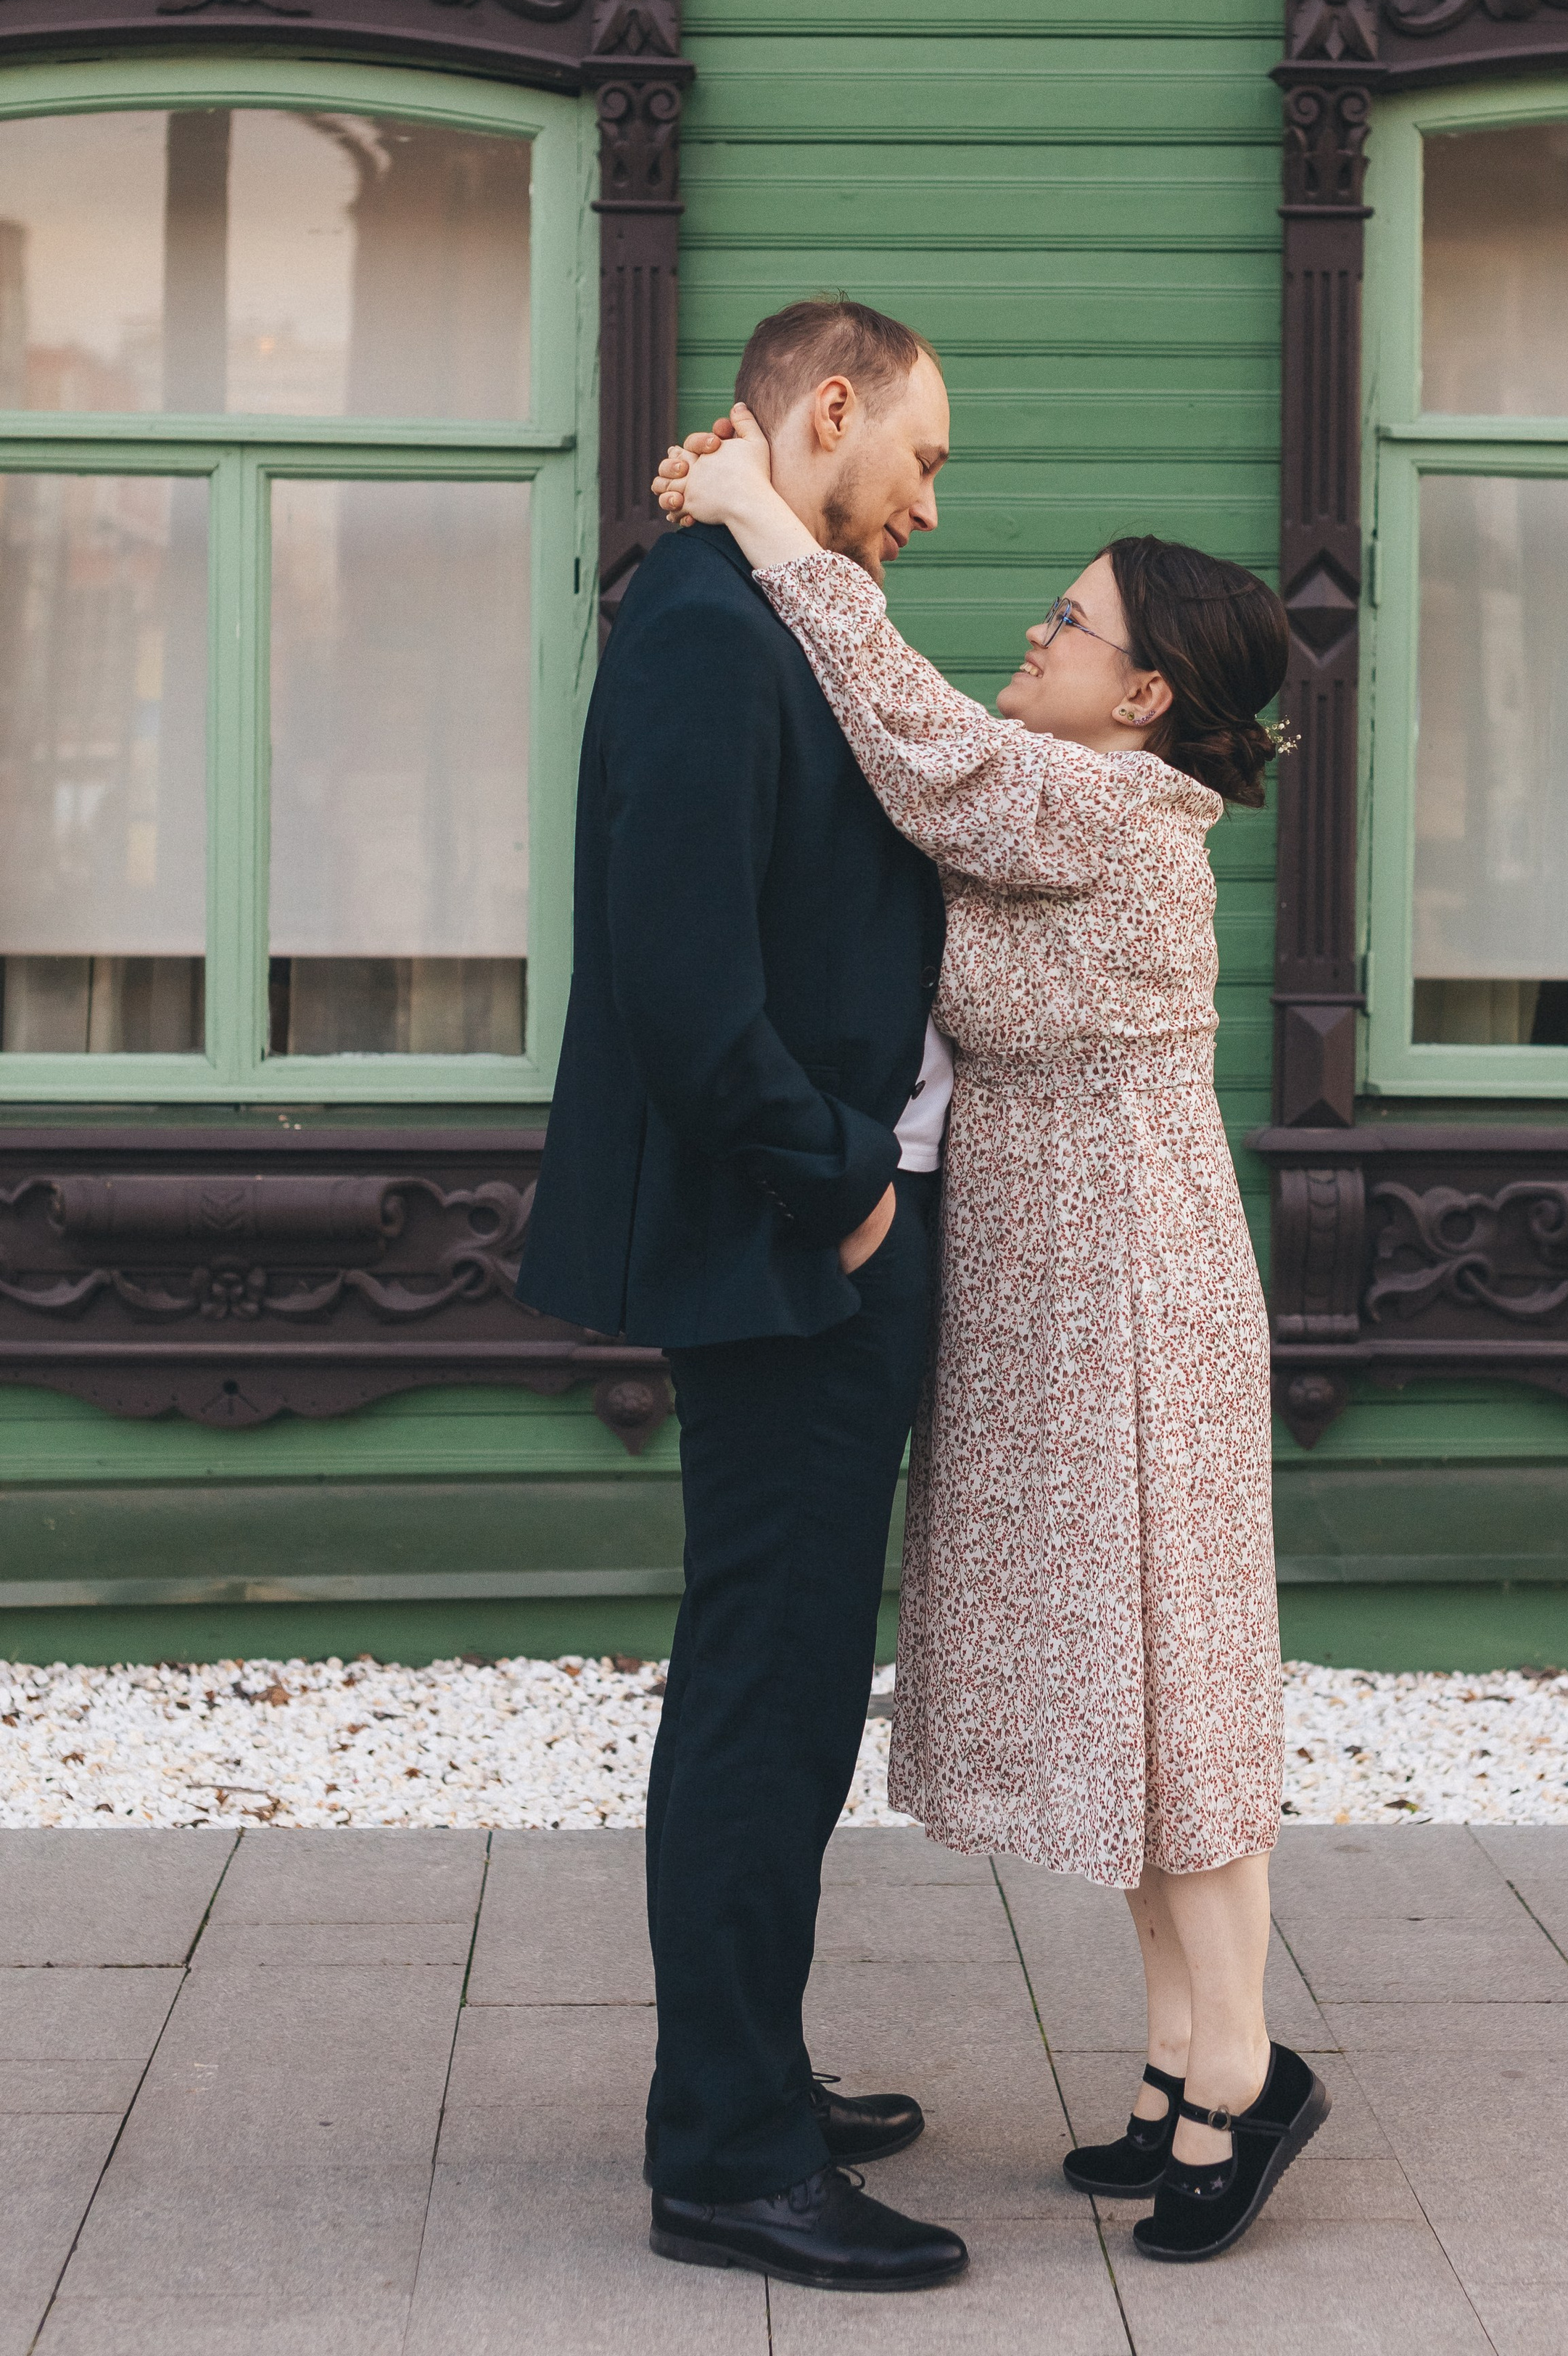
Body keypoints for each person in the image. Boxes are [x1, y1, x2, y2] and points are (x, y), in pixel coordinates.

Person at [654, 403, 1327, 2265]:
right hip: (1055, 1279)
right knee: (1135, 1696)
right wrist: (753, 501)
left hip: (1125, 1291)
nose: (1026, 638)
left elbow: (914, 738)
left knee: (1179, 1691)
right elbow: (899, 759)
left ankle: (1236, 2075)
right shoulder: (1063, 799)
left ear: (1142, 700)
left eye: (1064, 625)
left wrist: (758, 517)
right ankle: (1189, 2066)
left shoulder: (1111, 814)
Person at [517, 299, 970, 2293]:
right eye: (922, 463)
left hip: (810, 1249)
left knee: (786, 1701)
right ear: (831, 413)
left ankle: (753, 2067)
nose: (928, 510)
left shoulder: (758, 600)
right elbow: (685, 982)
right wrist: (849, 1189)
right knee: (761, 1704)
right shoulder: (706, 636)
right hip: (788, 1254)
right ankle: (728, 2151)